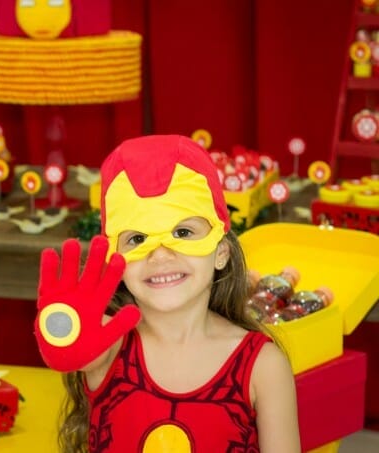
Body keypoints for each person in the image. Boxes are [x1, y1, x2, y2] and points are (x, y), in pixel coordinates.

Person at [34, 135, 300, 452]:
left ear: (221, 252)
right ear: (114, 258)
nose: (160, 255)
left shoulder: (263, 366)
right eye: (137, 239)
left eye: (183, 232)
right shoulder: (106, 347)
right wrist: (61, 329)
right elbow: (69, 342)